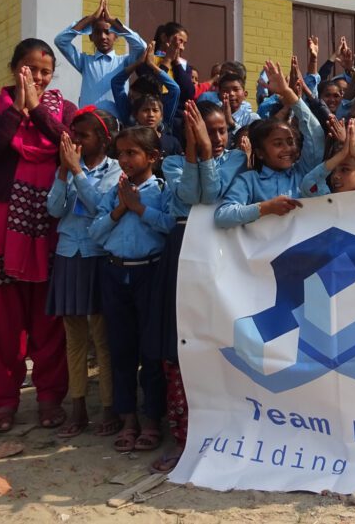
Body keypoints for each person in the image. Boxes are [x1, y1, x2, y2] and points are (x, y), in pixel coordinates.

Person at [0, 38, 77, 433]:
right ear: (15, 68)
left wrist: (37, 111)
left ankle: (49, 398)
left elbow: (71, 142)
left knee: (47, 316)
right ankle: (3, 402)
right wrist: (17, 110)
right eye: (31, 69)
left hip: (45, 222)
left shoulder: (62, 109)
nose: (40, 77)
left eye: (46, 71)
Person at [149, 100, 244, 472]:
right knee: (180, 344)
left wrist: (206, 152)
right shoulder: (173, 163)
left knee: (218, 341)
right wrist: (195, 151)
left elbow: (214, 193)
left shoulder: (236, 159)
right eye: (207, 130)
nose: (216, 138)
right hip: (180, 253)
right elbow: (192, 197)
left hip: (221, 254)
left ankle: (223, 435)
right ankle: (185, 437)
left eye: (221, 130)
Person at [89, 126, 176, 453]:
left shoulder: (163, 191)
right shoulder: (114, 193)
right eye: (120, 153)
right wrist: (121, 208)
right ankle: (128, 419)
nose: (123, 159)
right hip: (114, 274)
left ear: (152, 157)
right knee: (121, 350)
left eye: (131, 153)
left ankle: (152, 420)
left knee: (151, 351)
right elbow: (96, 233)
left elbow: (170, 226)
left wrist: (139, 208)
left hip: (150, 276)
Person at [45, 108, 121, 438]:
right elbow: (54, 209)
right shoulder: (65, 169)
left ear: (103, 140)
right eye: (73, 136)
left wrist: (77, 172)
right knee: (74, 338)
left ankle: (108, 408)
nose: (76, 142)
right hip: (68, 256)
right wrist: (63, 173)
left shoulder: (115, 169)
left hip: (97, 256)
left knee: (102, 339)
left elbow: (101, 206)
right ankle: (77, 408)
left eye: (84, 136)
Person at [214, 60, 324, 228]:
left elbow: (315, 133)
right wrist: (265, 208)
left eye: (290, 141)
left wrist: (288, 93)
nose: (287, 148)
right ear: (259, 152)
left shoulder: (303, 173)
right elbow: (223, 216)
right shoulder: (248, 181)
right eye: (278, 143)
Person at [55, 0, 145, 113]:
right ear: (91, 37)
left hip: (116, 124)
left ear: (116, 35)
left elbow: (141, 46)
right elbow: (60, 40)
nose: (103, 37)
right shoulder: (84, 61)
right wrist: (90, 19)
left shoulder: (125, 62)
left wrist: (113, 21)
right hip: (88, 123)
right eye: (97, 32)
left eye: (108, 32)